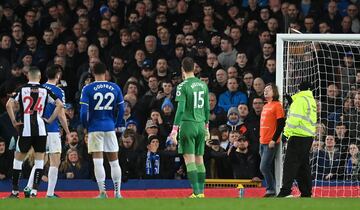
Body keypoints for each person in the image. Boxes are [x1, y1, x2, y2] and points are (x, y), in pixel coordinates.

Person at [6, 66, 63, 198]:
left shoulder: (21, 89)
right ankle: (34, 191)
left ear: (28, 76)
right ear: (39, 77)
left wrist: (14, 121)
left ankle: (15, 192)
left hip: (25, 129)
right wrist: (49, 120)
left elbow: (9, 104)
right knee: (39, 161)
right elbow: (59, 104)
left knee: (18, 160)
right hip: (41, 129)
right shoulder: (45, 90)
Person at [23, 65, 70, 198]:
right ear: (58, 75)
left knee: (40, 161)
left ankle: (28, 187)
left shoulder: (38, 89)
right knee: (55, 161)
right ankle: (49, 193)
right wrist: (67, 131)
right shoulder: (58, 91)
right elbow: (61, 114)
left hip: (37, 129)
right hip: (52, 130)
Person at [80, 62, 125, 198]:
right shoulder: (115, 87)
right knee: (114, 161)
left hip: (95, 127)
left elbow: (83, 112)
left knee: (98, 161)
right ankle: (117, 193)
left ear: (92, 73)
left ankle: (102, 192)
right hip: (110, 127)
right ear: (106, 72)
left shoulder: (88, 88)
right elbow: (122, 109)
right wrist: (115, 123)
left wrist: (86, 126)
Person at [169, 57, 210, 198]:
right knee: (200, 159)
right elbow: (207, 108)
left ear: (182, 69)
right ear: (194, 68)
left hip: (187, 124)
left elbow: (180, 109)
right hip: (200, 125)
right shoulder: (203, 85)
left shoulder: (182, 86)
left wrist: (174, 130)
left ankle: (196, 193)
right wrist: (207, 128)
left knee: (189, 160)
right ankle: (202, 193)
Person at [278, 81, 317, 197]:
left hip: (298, 136)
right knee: (303, 165)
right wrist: (292, 102)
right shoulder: (310, 100)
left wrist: (286, 133)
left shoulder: (300, 101)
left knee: (290, 164)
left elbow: (294, 119)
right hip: (308, 137)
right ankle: (306, 192)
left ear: (299, 89)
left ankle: (285, 191)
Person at [259, 83, 285, 197]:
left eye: (268, 89)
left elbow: (280, 124)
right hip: (262, 141)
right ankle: (271, 188)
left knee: (264, 167)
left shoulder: (277, 105)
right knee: (266, 167)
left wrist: (274, 139)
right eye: (264, 89)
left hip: (270, 141)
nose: (265, 91)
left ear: (274, 92)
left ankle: (271, 189)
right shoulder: (265, 106)